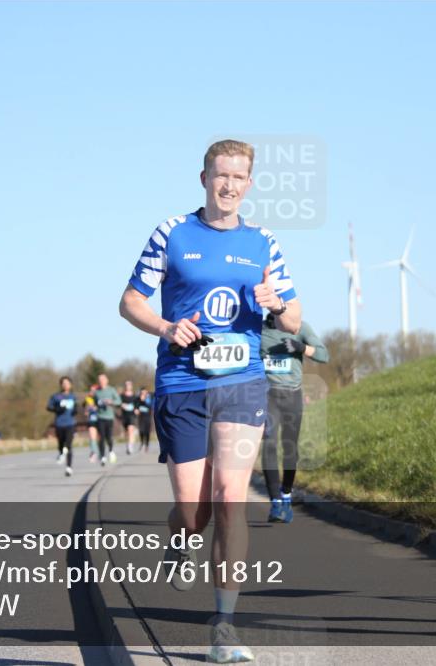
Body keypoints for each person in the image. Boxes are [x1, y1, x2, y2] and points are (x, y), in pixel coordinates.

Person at [119, 139, 301, 664]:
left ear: (250, 183)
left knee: (229, 498)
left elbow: (291, 316)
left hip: (242, 380)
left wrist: (277, 304)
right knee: (194, 511)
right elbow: (130, 300)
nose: (229, 185)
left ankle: (223, 625)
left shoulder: (263, 242)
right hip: (182, 381)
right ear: (204, 178)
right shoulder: (172, 233)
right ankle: (180, 539)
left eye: (238, 177)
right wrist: (165, 325)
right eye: (220, 175)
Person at [260, 313, 328, 523]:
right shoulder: (258, 329)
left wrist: (301, 349)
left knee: (290, 448)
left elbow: (325, 355)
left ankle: (286, 494)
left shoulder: (301, 328)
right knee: (268, 445)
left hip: (293, 396)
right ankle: (276, 503)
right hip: (268, 395)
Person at [46, 376, 78, 476]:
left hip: (70, 423)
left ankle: (68, 467)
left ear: (70, 385)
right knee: (61, 444)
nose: (65, 385)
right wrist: (58, 409)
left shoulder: (73, 396)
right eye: (63, 383)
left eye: (67, 383)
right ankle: (61, 453)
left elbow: (76, 409)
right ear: (61, 385)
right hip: (59, 423)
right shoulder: (56, 396)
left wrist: (75, 410)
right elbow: (49, 407)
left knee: (69, 445)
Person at [93, 373, 121, 464]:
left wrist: (111, 402)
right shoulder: (96, 392)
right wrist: (93, 407)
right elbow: (94, 404)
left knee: (109, 437)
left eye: (103, 379)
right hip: (100, 417)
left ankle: (111, 451)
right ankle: (102, 456)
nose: (101, 381)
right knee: (101, 437)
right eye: (99, 380)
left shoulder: (111, 390)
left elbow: (119, 401)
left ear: (106, 380)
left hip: (109, 417)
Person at [120, 380, 138, 455]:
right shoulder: (122, 396)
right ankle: (128, 443)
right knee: (126, 432)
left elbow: (137, 404)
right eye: (126, 385)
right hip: (124, 415)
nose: (128, 386)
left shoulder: (134, 396)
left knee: (130, 429)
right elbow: (118, 403)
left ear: (131, 386)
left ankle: (130, 446)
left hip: (132, 415)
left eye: (129, 385)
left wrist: (137, 409)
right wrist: (122, 405)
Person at [85, 389, 100, 464]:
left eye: (94, 391)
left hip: (100, 420)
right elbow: (85, 410)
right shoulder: (87, 399)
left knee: (100, 437)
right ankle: (93, 452)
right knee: (92, 436)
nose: (92, 392)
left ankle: (101, 453)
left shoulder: (100, 399)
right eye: (91, 391)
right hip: (91, 420)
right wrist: (87, 410)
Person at [136, 387, 154, 452]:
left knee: (147, 432)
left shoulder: (149, 398)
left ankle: (147, 445)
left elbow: (150, 406)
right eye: (142, 392)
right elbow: (136, 406)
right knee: (141, 431)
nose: (143, 394)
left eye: (144, 392)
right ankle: (142, 443)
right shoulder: (138, 399)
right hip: (141, 417)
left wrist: (144, 400)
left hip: (148, 417)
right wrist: (136, 409)